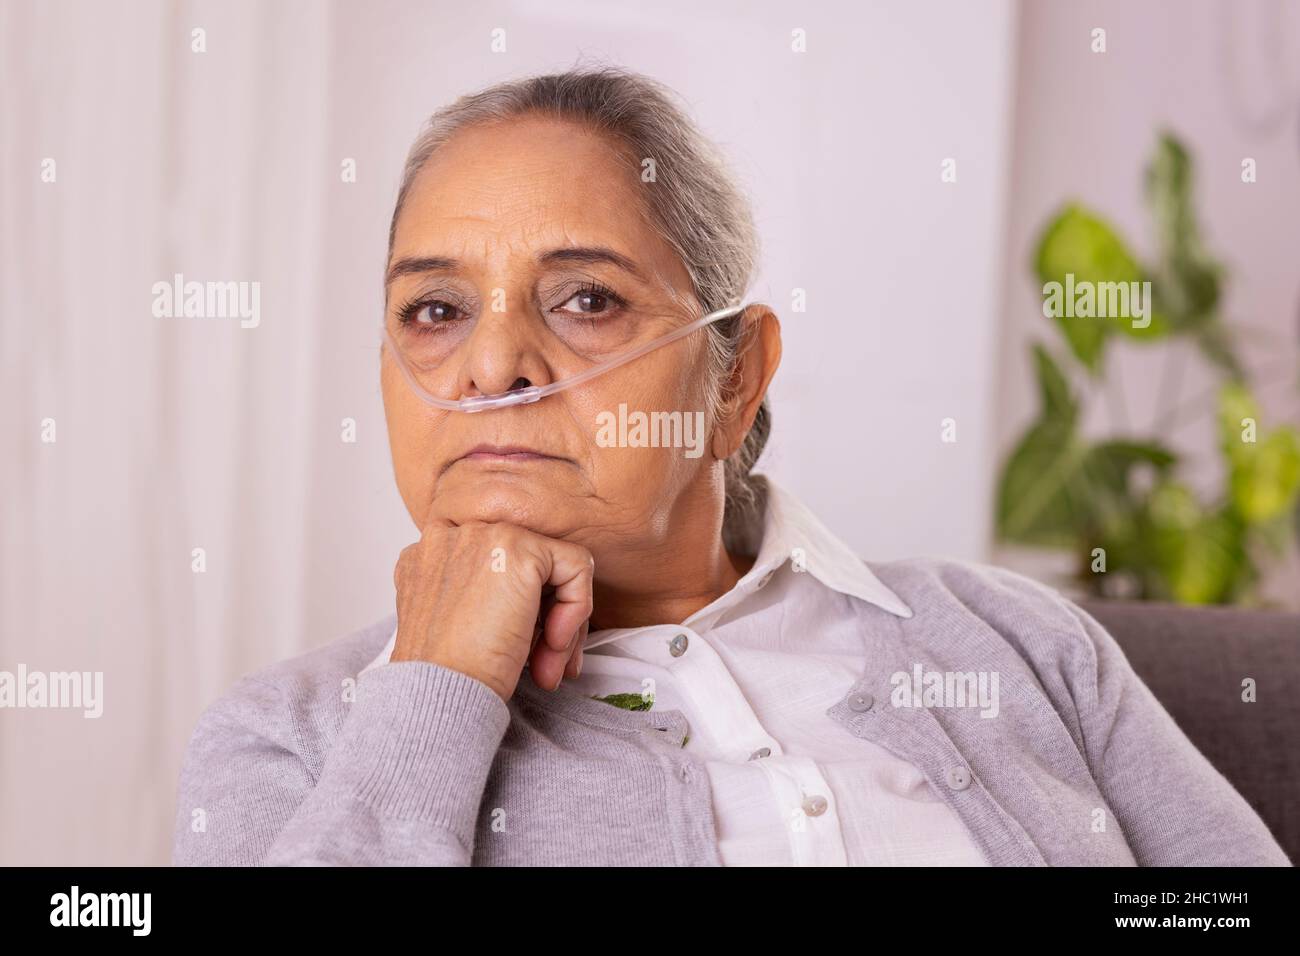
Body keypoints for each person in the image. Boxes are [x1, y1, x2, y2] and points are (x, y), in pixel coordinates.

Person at [172, 67, 1289, 867]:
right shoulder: (291, 735)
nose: (492, 363)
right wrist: (438, 695)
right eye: (434, 309)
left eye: (586, 298)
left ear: (735, 377)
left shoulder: (1015, 639)